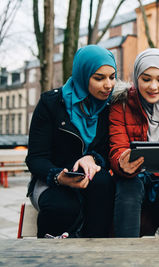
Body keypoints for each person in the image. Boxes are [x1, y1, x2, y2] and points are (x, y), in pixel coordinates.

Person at [26, 45, 116, 238]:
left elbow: (110, 152)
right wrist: (58, 176)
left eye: (112, 76)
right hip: (52, 180)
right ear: (82, 75)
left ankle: (95, 252)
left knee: (103, 184)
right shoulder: (51, 104)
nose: (108, 85)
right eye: (99, 78)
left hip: (90, 179)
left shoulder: (110, 107)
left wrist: (92, 158)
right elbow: (36, 158)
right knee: (62, 207)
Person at [109, 48, 159, 238]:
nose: (153, 87)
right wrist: (121, 161)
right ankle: (125, 252)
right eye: (146, 79)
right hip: (134, 176)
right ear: (136, 77)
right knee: (128, 186)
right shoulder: (120, 103)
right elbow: (117, 147)